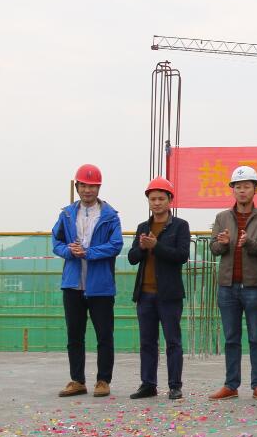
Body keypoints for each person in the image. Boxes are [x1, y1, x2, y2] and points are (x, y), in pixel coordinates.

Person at [52, 163, 123, 398]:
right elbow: (56, 242)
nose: (87, 190)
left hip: (101, 285)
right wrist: (69, 251)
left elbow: (116, 245)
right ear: (77, 186)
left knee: (104, 335)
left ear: (99, 188)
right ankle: (77, 380)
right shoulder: (66, 214)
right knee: (74, 335)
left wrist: (89, 252)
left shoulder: (110, 216)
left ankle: (103, 380)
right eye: (83, 185)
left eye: (92, 186)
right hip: (73, 283)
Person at [208, 165, 257, 401]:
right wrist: (222, 243)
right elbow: (214, 248)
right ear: (233, 190)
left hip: (254, 286)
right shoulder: (222, 217)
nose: (242, 191)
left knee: (256, 336)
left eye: (247, 186)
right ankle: (231, 385)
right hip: (227, 286)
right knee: (231, 338)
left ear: (255, 189)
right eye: (238, 187)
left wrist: (249, 243)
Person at [126, 177, 190, 400]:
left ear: (170, 200)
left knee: (173, 341)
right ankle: (148, 384)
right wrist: (143, 248)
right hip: (145, 294)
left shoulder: (180, 226)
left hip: (169, 294)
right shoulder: (143, 227)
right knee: (147, 342)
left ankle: (175, 385)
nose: (157, 203)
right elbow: (132, 258)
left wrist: (157, 246)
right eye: (152, 199)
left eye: (161, 198)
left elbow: (182, 255)